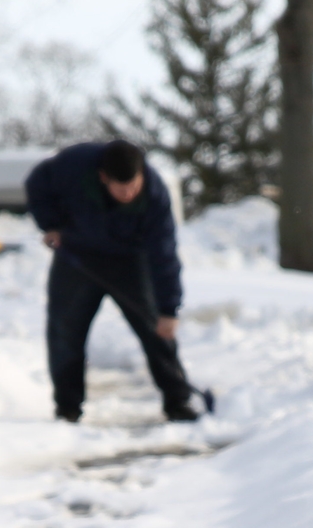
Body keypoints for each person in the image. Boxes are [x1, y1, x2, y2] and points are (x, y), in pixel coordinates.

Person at [24, 138, 213, 424]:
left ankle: (178, 400)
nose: (128, 193)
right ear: (103, 178)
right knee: (65, 332)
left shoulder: (154, 195)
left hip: (130, 260)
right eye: (121, 188)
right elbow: (37, 184)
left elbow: (164, 255)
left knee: (156, 330)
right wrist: (50, 223)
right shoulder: (74, 165)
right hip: (76, 256)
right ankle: (68, 408)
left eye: (133, 186)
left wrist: (168, 309)